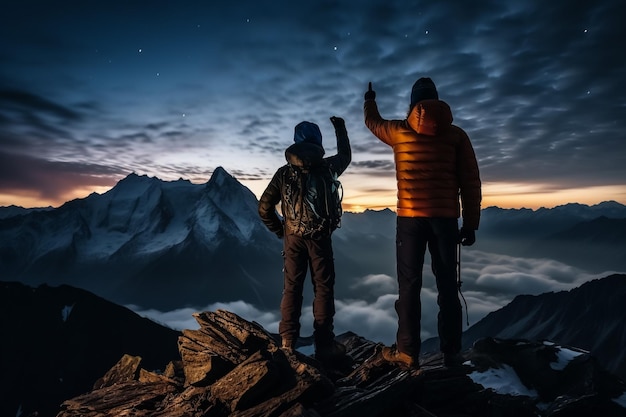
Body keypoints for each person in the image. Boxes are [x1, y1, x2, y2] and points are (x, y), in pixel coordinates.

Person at [363, 78, 481, 369]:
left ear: (413, 104)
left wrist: (369, 100)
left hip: (410, 221)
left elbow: (373, 122)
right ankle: (451, 353)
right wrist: (471, 223)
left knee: (409, 286)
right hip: (445, 221)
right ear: (438, 101)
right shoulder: (457, 136)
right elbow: (470, 182)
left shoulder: (399, 132)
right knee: (448, 288)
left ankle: (407, 353)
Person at [258, 116, 351, 363]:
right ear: (318, 142)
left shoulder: (283, 173)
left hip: (293, 238)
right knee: (323, 288)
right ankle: (324, 345)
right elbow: (346, 154)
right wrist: (340, 128)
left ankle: (287, 342)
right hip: (320, 237)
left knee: (292, 288)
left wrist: (281, 231)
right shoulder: (329, 167)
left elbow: (264, 208)